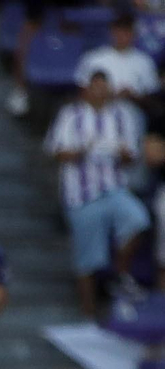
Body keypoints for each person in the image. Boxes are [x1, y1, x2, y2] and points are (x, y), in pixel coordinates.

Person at [45, 70, 151, 318]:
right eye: (96, 87)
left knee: (138, 219)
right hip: (81, 195)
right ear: (86, 89)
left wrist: (123, 154)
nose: (100, 91)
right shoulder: (71, 114)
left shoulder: (122, 116)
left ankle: (118, 274)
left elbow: (132, 156)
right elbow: (56, 151)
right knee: (87, 257)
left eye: (104, 87)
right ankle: (88, 311)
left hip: (114, 189)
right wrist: (83, 150)